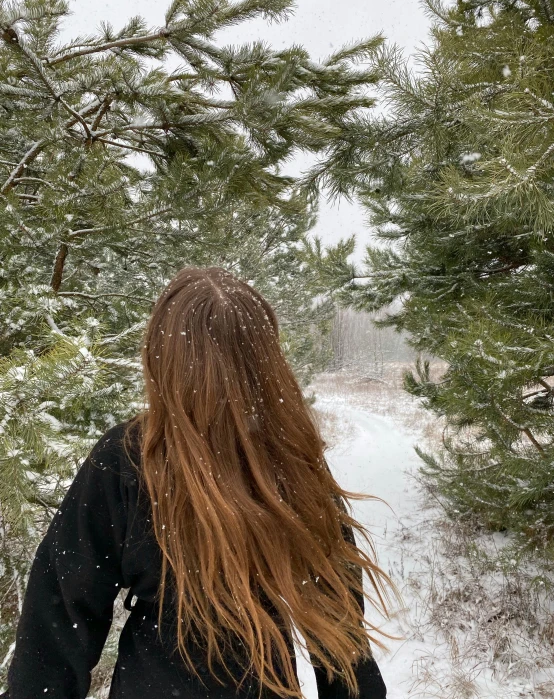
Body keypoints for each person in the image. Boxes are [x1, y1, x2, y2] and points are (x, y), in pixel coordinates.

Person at [1, 266, 397, 699]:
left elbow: (57, 621)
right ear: (266, 362)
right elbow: (343, 642)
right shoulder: (288, 462)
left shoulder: (130, 458)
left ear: (161, 358)